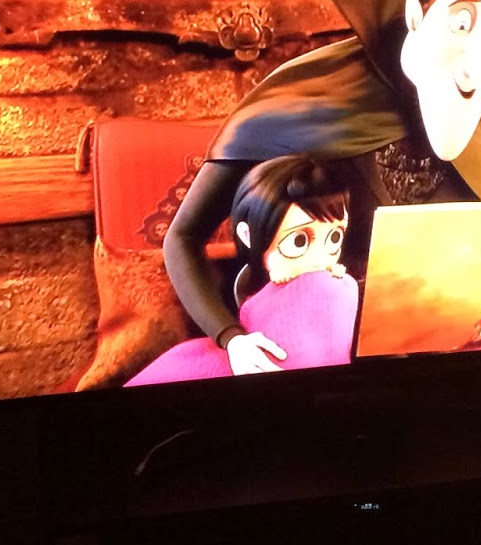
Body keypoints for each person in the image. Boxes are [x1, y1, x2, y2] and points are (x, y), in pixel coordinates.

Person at [162, 0, 481, 367]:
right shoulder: (308, 102)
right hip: (322, 354)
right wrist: (231, 337)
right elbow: (183, 237)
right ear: (417, 19)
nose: (477, 61)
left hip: (447, 360)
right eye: (461, 22)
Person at [125, 156, 356, 383]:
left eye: (335, 237)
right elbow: (181, 238)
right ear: (249, 236)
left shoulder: (340, 290)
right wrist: (231, 338)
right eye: (299, 241)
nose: (318, 260)